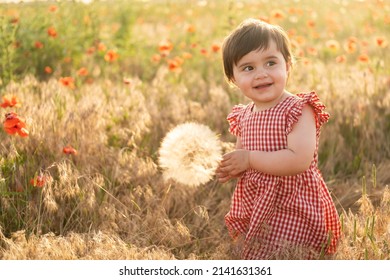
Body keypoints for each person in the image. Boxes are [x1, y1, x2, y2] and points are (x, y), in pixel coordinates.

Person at [216, 18, 341, 259]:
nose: (261, 74)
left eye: (271, 63)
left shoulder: (298, 109)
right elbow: (243, 160)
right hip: (258, 202)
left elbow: (298, 160)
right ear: (232, 78)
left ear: (288, 65)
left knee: (289, 254)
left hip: (293, 202)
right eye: (248, 68)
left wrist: (249, 160)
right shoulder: (243, 116)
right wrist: (232, 167)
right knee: (259, 253)